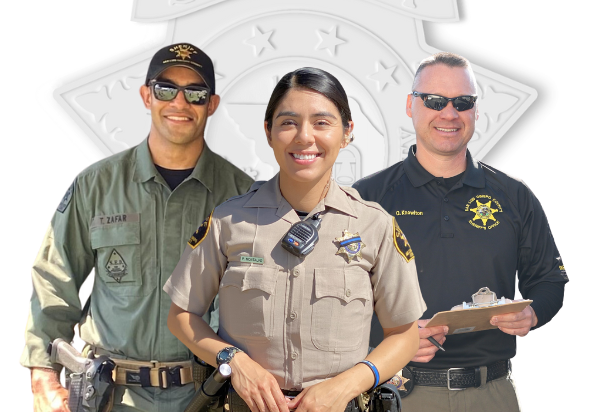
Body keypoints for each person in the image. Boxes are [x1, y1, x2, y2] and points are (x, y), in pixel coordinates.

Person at [164, 67, 427, 412]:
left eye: (322, 122)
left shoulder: (375, 225)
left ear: (347, 133)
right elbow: (181, 316)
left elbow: (405, 335)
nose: (304, 137)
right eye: (288, 123)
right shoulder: (228, 220)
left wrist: (346, 386)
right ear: (268, 132)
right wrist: (234, 361)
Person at [19, 43, 254, 412]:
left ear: (212, 104)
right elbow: (54, 277)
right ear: (147, 96)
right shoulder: (96, 186)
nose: (180, 102)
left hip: (208, 397)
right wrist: (43, 379)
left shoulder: (243, 196)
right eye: (166, 89)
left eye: (195, 93)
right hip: (112, 397)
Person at [352, 52, 568, 411]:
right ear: (410, 105)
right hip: (398, 393)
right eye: (435, 101)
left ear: (476, 111)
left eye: (463, 102)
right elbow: (334, 296)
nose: (449, 113)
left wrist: (532, 314)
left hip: (493, 394)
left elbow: (548, 281)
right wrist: (392, 338)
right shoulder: (367, 197)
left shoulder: (516, 194)